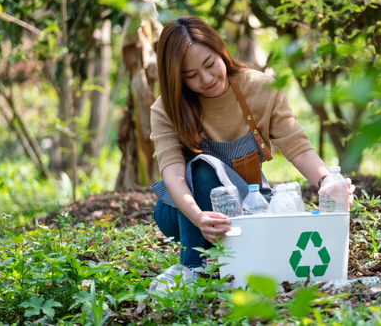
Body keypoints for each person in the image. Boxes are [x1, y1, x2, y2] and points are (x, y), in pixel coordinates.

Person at [150, 16, 354, 275]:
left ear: (220, 50)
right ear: (177, 79)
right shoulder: (166, 109)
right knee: (200, 169)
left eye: (210, 64)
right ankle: (192, 267)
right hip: (185, 212)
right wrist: (197, 216)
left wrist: (326, 180)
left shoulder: (261, 88)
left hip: (245, 200)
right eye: (191, 76)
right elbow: (173, 174)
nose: (207, 78)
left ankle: (227, 255)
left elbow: (297, 147)